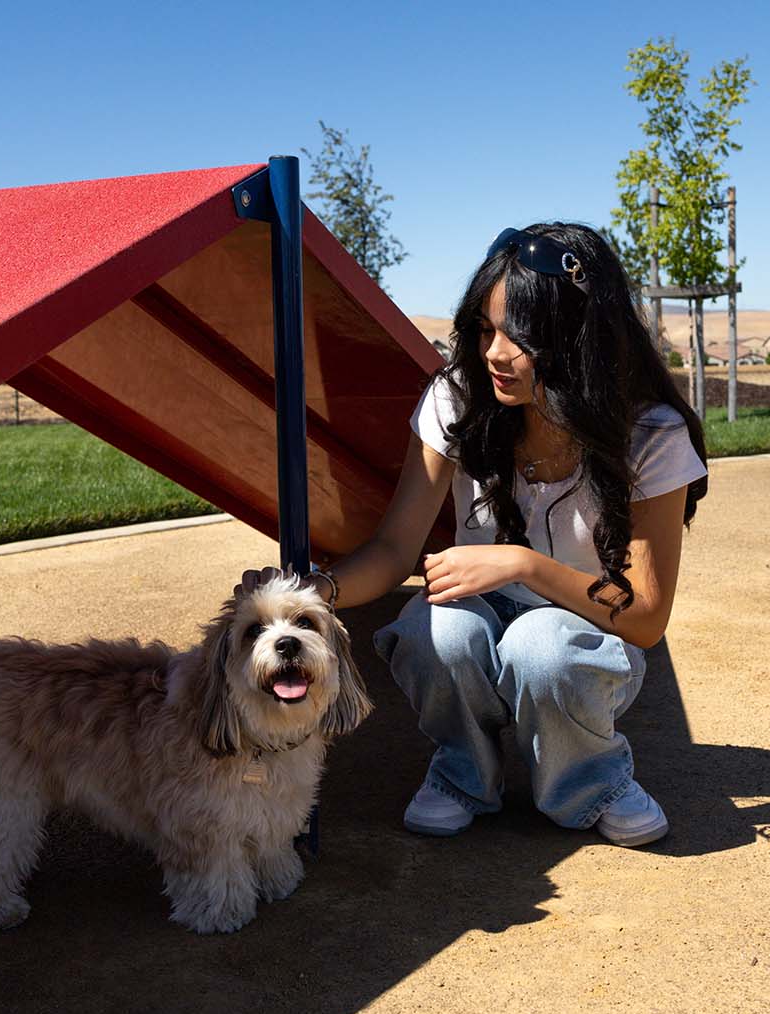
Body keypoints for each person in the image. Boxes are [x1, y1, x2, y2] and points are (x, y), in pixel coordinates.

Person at [273, 222, 708, 846]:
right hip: (479, 614)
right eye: (485, 329)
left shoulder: (649, 434)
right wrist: (310, 593)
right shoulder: (456, 398)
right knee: (435, 629)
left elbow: (643, 618)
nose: (493, 353)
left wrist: (522, 565)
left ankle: (592, 780)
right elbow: (396, 548)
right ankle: (462, 773)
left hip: (583, 635)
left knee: (542, 645)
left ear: (576, 339)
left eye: (519, 336)